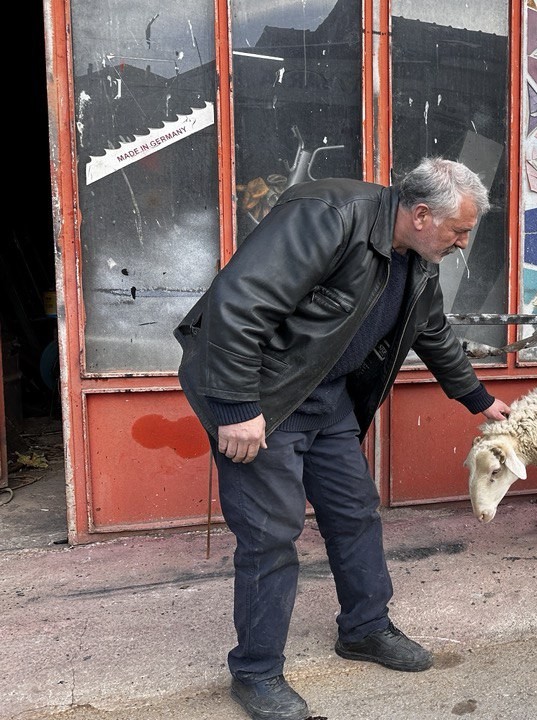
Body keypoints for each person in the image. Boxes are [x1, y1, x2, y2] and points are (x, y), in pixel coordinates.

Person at [174, 157, 511, 720]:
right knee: (270, 532)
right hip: (263, 399)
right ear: (422, 214)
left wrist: (478, 399)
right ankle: (257, 672)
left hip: (326, 400)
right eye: (459, 231)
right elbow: (238, 302)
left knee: (355, 510)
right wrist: (235, 406)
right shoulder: (329, 214)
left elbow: (431, 330)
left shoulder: (420, 256)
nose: (462, 244)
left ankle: (365, 628)